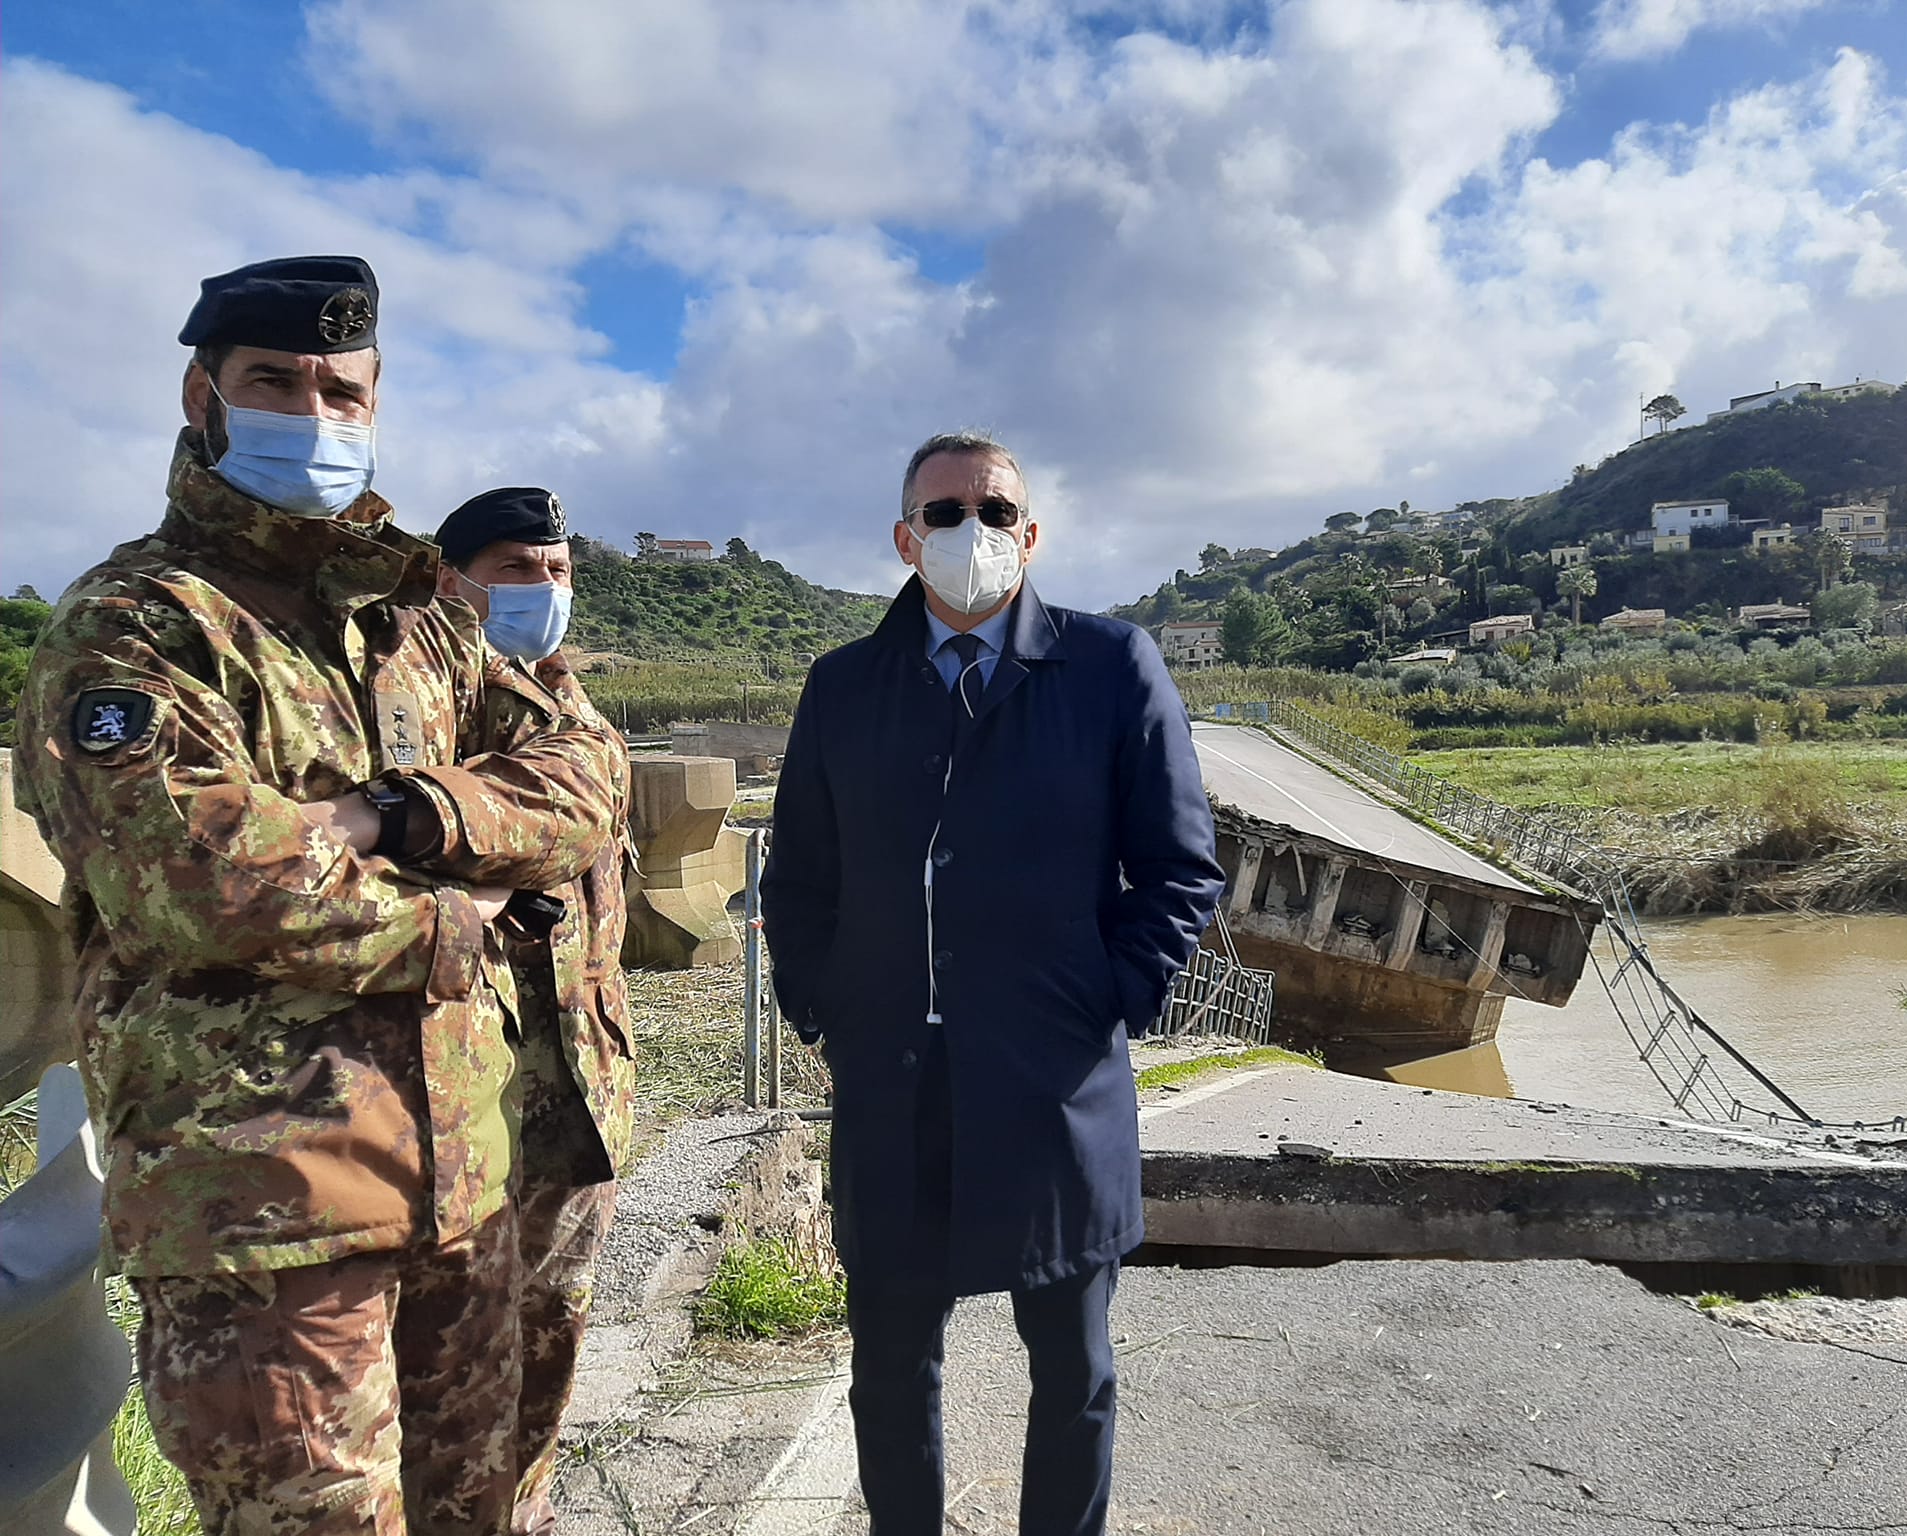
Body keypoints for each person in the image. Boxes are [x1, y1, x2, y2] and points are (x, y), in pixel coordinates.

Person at [13, 256, 620, 1536]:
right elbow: (207, 883)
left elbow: (584, 776)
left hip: (467, 1179)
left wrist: (412, 812)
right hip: (263, 1214)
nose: (315, 413)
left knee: (487, 1511)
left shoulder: (419, 617)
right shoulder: (137, 625)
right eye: (274, 382)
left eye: (342, 391)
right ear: (204, 395)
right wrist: (463, 917)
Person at [760, 430, 1224, 1536]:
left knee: (1071, 1367)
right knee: (889, 1362)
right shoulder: (843, 685)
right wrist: (819, 1003)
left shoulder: (1110, 666)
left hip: (1052, 1081)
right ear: (904, 537)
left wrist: (1106, 998)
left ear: (1030, 533)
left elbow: (1177, 867)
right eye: (945, 512)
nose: (972, 531)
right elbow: (799, 873)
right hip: (892, 1080)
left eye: (994, 510)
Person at [432, 486, 636, 1535]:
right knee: (450, 1384)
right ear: (451, 578)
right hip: (465, 1107)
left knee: (545, 1357)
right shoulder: (423, 710)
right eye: (517, 568)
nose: (541, 590)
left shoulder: (576, 712)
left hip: (577, 1100)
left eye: (556, 572)